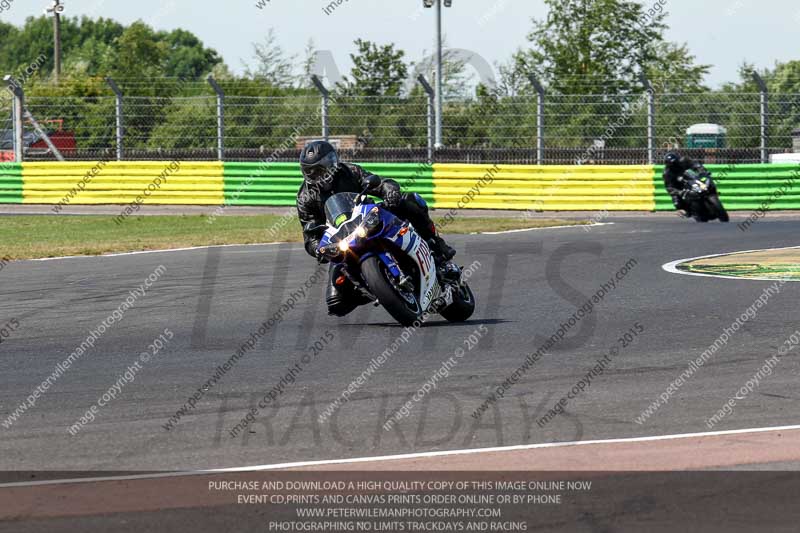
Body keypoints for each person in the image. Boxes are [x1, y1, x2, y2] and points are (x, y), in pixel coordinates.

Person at [296, 140, 456, 317]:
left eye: (321, 168)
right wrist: (318, 249)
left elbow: (379, 183)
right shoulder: (305, 197)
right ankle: (377, 287)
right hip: (341, 238)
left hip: (369, 217)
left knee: (410, 201)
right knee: (336, 303)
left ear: (332, 162)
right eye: (310, 171)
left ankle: (437, 246)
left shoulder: (349, 171)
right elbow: (309, 233)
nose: (317, 174)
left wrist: (390, 190)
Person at [663, 151, 710, 217]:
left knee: (705, 178)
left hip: (691, 177)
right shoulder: (667, 173)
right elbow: (669, 187)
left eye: (676, 163)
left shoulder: (684, 160)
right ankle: (682, 210)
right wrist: (679, 192)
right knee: (675, 199)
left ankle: (711, 193)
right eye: (672, 164)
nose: (675, 165)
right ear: (668, 165)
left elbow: (695, 165)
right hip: (679, 185)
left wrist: (702, 171)